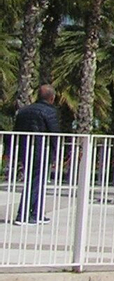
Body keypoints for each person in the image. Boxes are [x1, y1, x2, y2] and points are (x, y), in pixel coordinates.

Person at [10, 84, 59, 224]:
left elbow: (16, 131)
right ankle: (23, 214)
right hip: (42, 151)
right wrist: (57, 153)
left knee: (36, 181)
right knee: (36, 182)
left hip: (25, 150)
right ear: (52, 98)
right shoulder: (50, 111)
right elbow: (55, 133)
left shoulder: (24, 111)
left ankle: (36, 213)